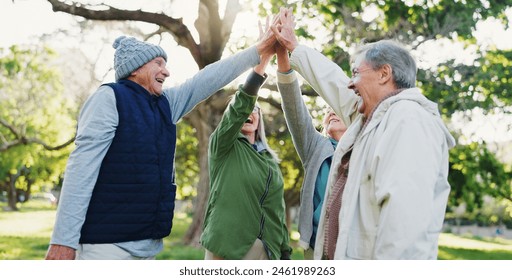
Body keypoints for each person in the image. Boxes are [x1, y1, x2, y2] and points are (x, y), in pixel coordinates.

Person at [45, 31, 277, 260]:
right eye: (158, 63)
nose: (166, 71)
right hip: (105, 247)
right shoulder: (108, 98)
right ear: (135, 68)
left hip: (148, 248)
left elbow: (207, 78)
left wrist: (259, 50)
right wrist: (63, 240)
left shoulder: (167, 103)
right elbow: (81, 169)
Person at [272, 7, 456, 259]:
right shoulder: (376, 118)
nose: (350, 82)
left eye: (356, 73)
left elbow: (403, 229)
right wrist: (294, 47)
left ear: (384, 74)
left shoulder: (408, 121)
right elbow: (337, 85)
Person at [200, 34, 291, 260]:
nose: (249, 113)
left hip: (264, 251)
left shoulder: (270, 161)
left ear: (259, 120)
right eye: (244, 109)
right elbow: (241, 105)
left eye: (255, 111)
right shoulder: (223, 146)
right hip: (226, 246)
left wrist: (285, 252)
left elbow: (276, 211)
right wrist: (264, 57)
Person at [275, 41, 346, 259]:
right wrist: (283, 59)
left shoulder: (363, 146)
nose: (332, 112)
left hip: (352, 247)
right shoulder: (316, 147)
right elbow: (294, 107)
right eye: (328, 110)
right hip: (316, 248)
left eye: (338, 108)